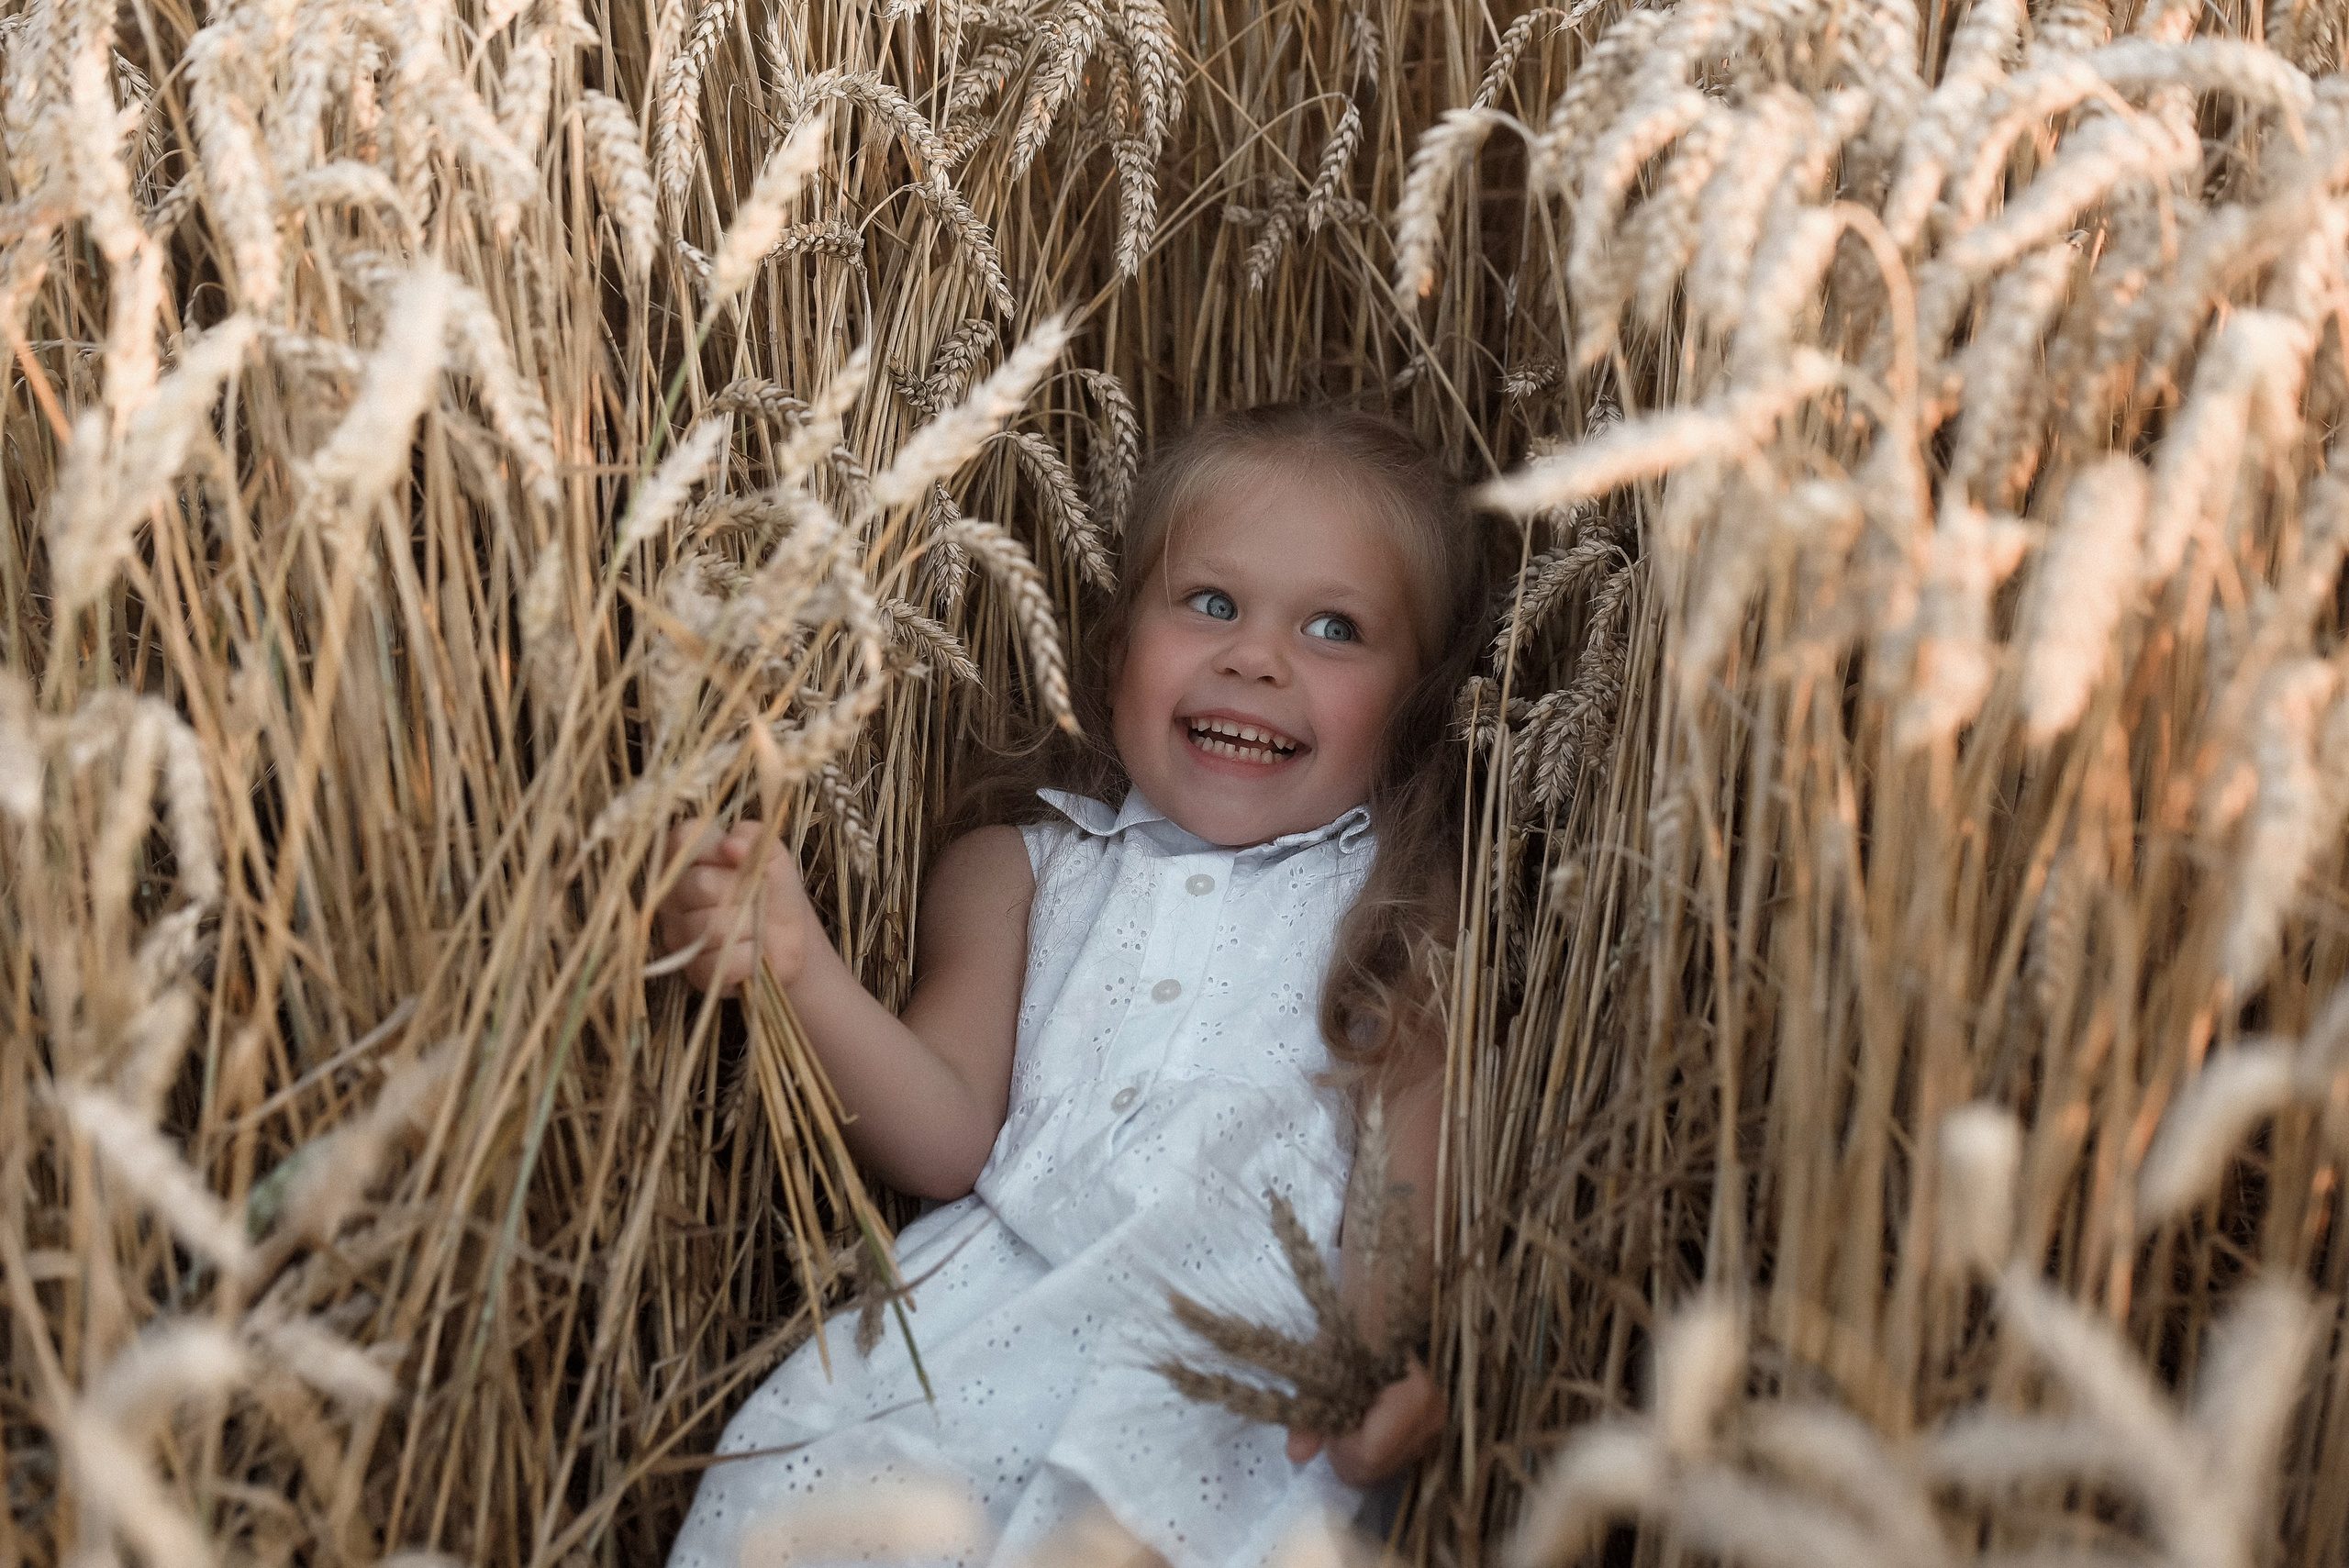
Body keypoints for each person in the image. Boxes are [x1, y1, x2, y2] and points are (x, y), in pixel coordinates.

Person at [654, 403, 1488, 1568]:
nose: (1256, 655)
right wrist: (798, 970)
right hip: (972, 1357)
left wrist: (1382, 1350)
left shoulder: (1399, 910)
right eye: (1210, 602)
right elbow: (946, 1135)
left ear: (1408, 710)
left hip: (1234, 1400)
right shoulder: (1018, 869)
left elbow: (1409, 1156)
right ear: (1111, 651)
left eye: (1335, 627)